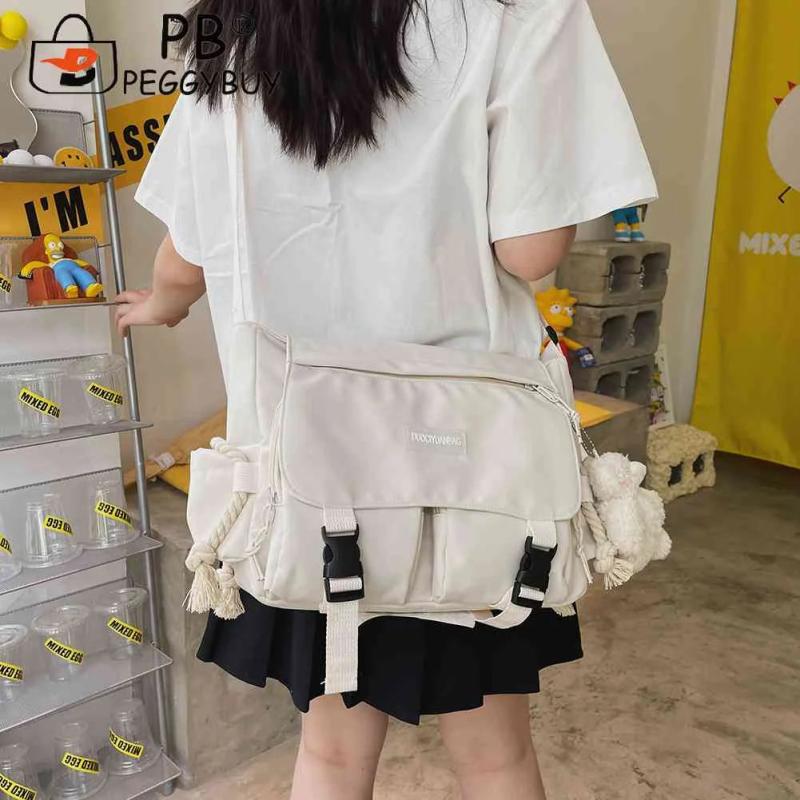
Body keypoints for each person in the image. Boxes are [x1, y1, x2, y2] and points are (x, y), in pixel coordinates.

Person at [119, 0, 656, 797]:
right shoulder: (521, 12)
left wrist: (163, 303)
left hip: (309, 476)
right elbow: (531, 251)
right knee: (497, 757)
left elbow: (188, 244)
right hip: (471, 477)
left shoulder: (240, 21)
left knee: (330, 757)